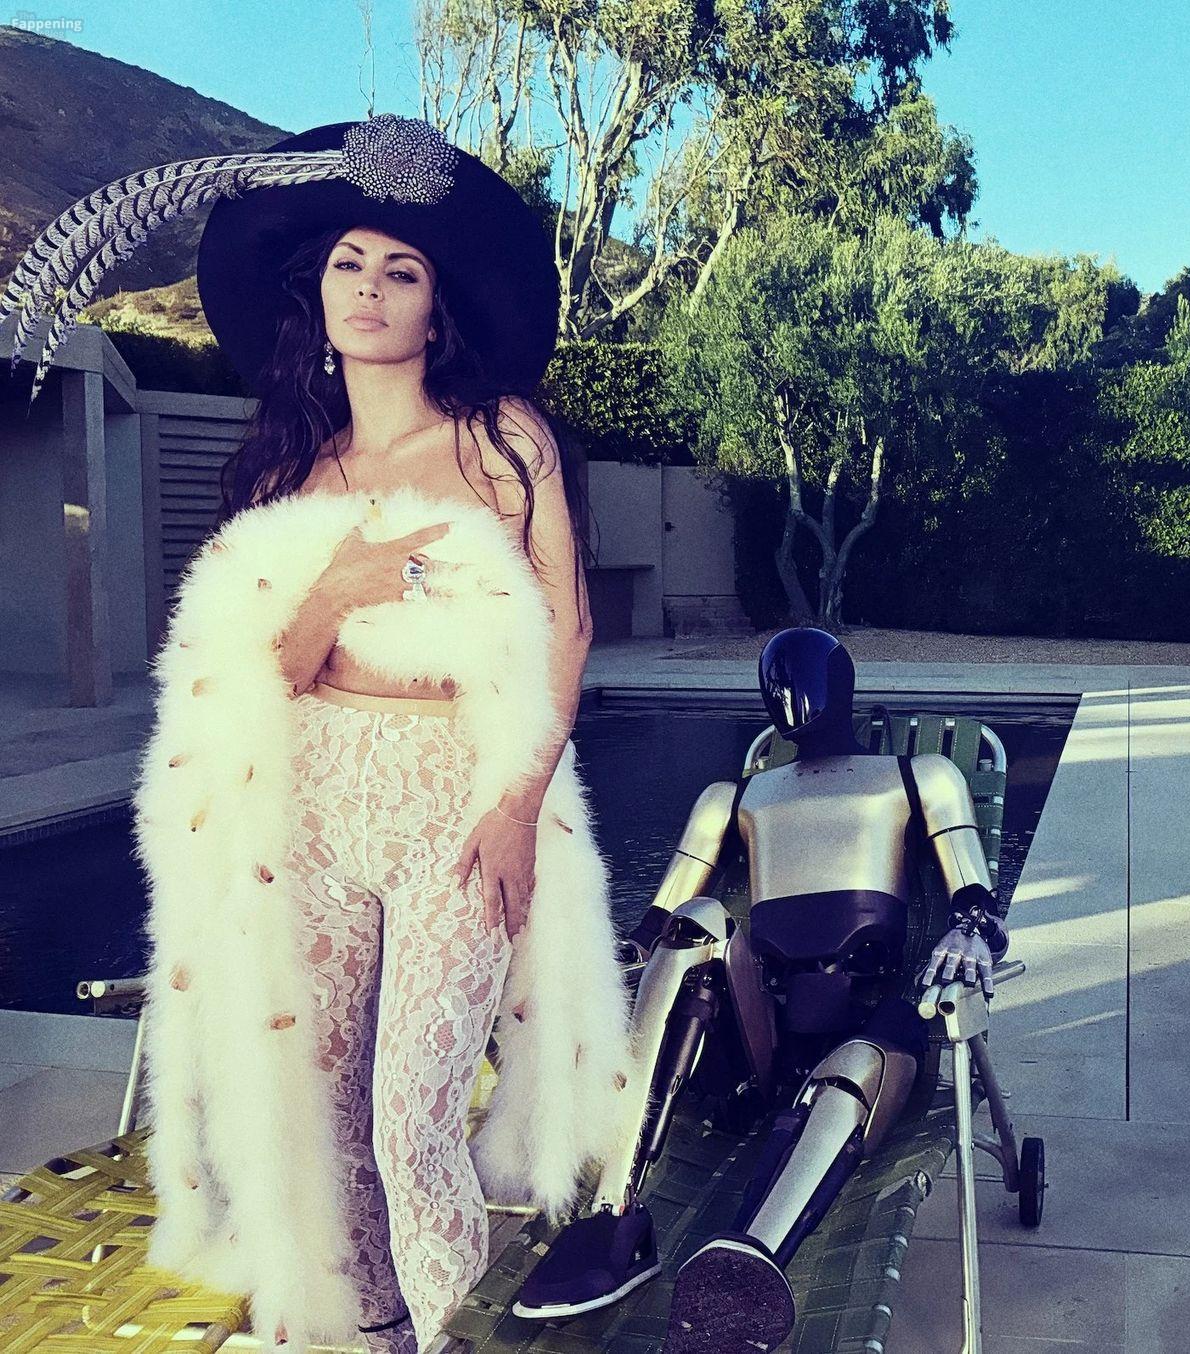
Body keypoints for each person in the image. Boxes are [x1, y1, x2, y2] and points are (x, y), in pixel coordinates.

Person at [4, 115, 640, 1354]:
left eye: (401, 270)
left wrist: (516, 808)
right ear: (320, 291)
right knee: (332, 1110)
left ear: (435, 307)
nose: (371, 287)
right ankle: (378, 1330)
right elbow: (277, 666)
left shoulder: (502, 439)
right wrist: (339, 589)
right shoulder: (295, 466)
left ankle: (459, 1338)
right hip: (321, 798)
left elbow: (565, 631)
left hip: (457, 799)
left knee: (414, 1119)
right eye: (351, 263)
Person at [509, 626, 1010, 1354]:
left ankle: (750, 1264)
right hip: (762, 1041)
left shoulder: (919, 776)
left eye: (803, 679)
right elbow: (656, 923)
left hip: (871, 1030)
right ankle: (614, 1218)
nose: (790, 697)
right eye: (778, 682)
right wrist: (582, 970)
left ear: (842, 686)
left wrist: (970, 935)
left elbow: (975, 900)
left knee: (850, 1068)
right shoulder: (732, 797)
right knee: (697, 920)